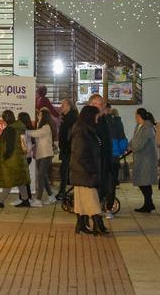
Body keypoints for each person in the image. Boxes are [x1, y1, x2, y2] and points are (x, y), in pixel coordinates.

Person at [70, 104, 106, 235]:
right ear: (90, 116)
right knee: (92, 199)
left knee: (81, 200)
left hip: (81, 172)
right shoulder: (82, 131)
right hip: (84, 172)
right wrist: (92, 169)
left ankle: (81, 225)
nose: (97, 118)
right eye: (96, 116)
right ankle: (97, 225)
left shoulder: (86, 129)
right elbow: (80, 153)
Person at [0, 110, 29, 208]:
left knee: (7, 180)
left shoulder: (10, 129)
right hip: (19, 159)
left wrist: (5, 157)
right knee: (20, 180)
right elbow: (24, 145)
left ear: (5, 119)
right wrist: (24, 156)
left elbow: (9, 146)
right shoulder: (20, 127)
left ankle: (0, 202)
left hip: (11, 160)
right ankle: (25, 200)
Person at [88, 94, 116, 216]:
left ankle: (101, 212)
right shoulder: (86, 123)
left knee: (104, 190)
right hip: (91, 165)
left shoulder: (106, 121)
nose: (98, 107)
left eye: (100, 105)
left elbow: (107, 144)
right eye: (95, 104)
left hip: (105, 163)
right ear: (89, 105)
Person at [128, 109, 159, 212]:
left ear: (139, 116)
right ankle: (149, 203)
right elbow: (134, 139)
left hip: (147, 159)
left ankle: (148, 204)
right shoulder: (139, 126)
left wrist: (132, 147)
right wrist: (128, 145)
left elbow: (141, 144)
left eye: (136, 115)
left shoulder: (148, 127)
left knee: (145, 182)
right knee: (143, 182)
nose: (135, 118)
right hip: (140, 158)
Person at [27, 108, 56, 203]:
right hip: (40, 154)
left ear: (44, 117)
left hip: (46, 155)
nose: (38, 116)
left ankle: (39, 199)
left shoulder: (46, 127)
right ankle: (51, 196)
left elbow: (36, 134)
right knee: (43, 176)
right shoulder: (41, 126)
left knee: (41, 176)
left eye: (40, 115)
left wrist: (25, 131)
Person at [17, 111, 42, 207]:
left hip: (24, 157)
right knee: (24, 178)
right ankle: (25, 197)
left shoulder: (24, 130)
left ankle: (25, 198)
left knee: (23, 179)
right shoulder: (29, 129)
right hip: (28, 157)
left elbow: (24, 146)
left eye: (18, 118)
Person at [56, 99, 77, 200]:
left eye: (63, 105)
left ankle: (63, 192)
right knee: (64, 171)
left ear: (68, 106)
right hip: (66, 149)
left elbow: (70, 135)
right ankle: (63, 191)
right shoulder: (67, 118)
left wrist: (66, 146)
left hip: (69, 149)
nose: (61, 107)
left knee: (64, 171)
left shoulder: (71, 119)